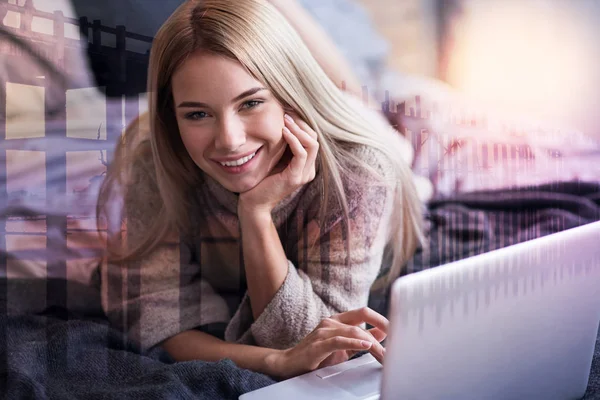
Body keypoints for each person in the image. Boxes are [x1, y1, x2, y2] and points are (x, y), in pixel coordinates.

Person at [97, 0, 427, 380]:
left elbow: (320, 346)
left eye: (251, 102)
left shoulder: (362, 169)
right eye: (197, 114)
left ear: (289, 95)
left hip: (362, 136)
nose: (229, 141)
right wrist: (271, 361)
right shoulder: (151, 157)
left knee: (363, 112)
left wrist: (255, 213)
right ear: (172, 115)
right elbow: (157, 319)